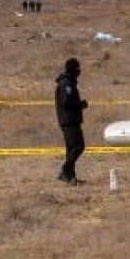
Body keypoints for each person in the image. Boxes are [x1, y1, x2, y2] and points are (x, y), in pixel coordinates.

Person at [55, 57, 88, 185]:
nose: (79, 71)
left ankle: (70, 177)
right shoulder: (66, 84)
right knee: (79, 146)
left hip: (69, 120)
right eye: (77, 69)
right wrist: (80, 104)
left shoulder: (68, 82)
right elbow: (67, 102)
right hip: (69, 121)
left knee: (71, 149)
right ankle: (64, 170)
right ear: (73, 70)